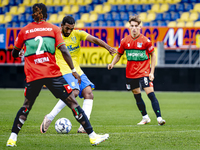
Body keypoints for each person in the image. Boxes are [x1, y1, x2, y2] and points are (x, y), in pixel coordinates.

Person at [6, 3, 109, 147]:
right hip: (52, 74)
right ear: (46, 15)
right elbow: (64, 51)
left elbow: (14, 53)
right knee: (73, 102)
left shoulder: (24, 31)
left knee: (26, 106)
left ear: (32, 14)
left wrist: (22, 52)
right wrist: (73, 70)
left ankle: (12, 138)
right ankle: (92, 136)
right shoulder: (53, 29)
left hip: (34, 74)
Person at [40, 15, 117, 134]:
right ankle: (49, 117)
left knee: (88, 93)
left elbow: (95, 39)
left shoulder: (78, 34)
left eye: (71, 28)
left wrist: (108, 48)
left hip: (77, 70)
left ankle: (84, 126)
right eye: (67, 28)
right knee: (74, 92)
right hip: (63, 69)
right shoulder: (55, 36)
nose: (69, 31)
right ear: (62, 26)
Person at [108, 15, 166, 126]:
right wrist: (112, 63)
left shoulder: (145, 41)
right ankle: (145, 117)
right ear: (129, 27)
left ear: (140, 27)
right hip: (130, 73)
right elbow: (119, 54)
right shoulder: (125, 41)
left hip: (144, 71)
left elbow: (153, 55)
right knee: (136, 94)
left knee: (150, 93)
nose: (134, 28)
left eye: (136, 26)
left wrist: (151, 72)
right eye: (132, 26)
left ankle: (159, 118)